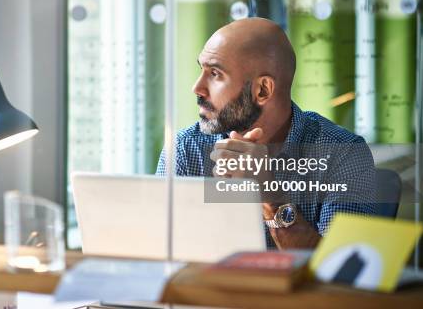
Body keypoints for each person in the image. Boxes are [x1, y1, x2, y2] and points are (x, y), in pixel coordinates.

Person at [156, 17, 377, 249]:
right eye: (201, 70)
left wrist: (270, 195)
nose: (197, 88)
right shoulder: (184, 149)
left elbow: (341, 273)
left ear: (262, 90)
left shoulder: (344, 153)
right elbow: (157, 254)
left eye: (215, 74)